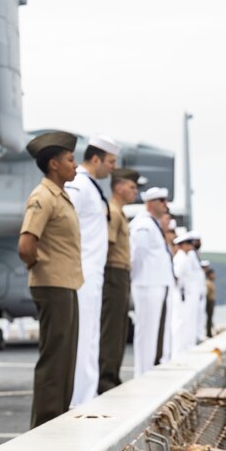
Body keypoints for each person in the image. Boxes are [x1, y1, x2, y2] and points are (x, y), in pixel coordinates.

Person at [18, 131, 82, 428]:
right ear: (54, 164)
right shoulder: (43, 197)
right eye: (70, 159)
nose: (76, 165)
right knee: (54, 358)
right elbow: (26, 245)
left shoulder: (60, 196)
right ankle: (44, 425)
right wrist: (41, 268)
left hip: (66, 284)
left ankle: (58, 419)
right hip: (51, 285)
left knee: (66, 358)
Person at [65, 135, 119, 407]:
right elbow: (64, 221)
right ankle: (79, 399)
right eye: (110, 161)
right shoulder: (78, 185)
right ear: (95, 159)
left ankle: (88, 394)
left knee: (91, 336)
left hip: (93, 271)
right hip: (82, 270)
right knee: (83, 337)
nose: (113, 167)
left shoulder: (91, 186)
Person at [98, 168, 138, 393]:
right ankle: (106, 379)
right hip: (113, 272)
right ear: (119, 187)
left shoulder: (119, 212)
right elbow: (108, 246)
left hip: (121, 273)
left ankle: (111, 375)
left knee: (120, 328)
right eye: (132, 187)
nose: (135, 192)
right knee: (111, 329)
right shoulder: (112, 212)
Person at [129, 187, 174, 374]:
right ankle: (142, 371)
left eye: (165, 200)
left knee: (152, 331)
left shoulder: (152, 224)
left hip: (154, 283)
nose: (165, 204)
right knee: (145, 332)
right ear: (150, 203)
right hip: (146, 284)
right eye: (161, 200)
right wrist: (138, 278)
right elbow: (137, 255)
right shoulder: (143, 225)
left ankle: (147, 369)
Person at [171, 232, 200, 354]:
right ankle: (177, 350)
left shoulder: (186, 257)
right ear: (181, 245)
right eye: (188, 243)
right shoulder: (181, 258)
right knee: (180, 322)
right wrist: (181, 291)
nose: (191, 246)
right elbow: (177, 276)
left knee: (186, 321)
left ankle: (185, 346)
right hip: (181, 294)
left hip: (186, 294)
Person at [203, 263, 216, 338]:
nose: (214, 276)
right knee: (209, 317)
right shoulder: (207, 283)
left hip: (211, 301)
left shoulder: (210, 282)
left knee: (210, 318)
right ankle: (208, 332)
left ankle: (209, 331)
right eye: (212, 274)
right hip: (209, 301)